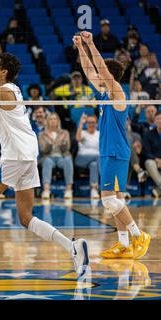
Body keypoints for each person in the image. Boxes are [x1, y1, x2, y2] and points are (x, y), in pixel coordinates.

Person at [0, 52, 89, 279]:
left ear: (4, 71)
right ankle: (72, 247)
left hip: (15, 157)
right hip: (27, 156)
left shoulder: (4, 92)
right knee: (26, 218)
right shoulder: (9, 90)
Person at [75, 31, 150, 259]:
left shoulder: (117, 92)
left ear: (109, 77)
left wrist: (91, 43)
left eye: (102, 75)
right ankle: (123, 244)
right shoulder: (105, 94)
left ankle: (139, 235)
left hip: (116, 152)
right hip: (109, 151)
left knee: (108, 199)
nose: (97, 77)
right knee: (115, 200)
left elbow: (100, 71)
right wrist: (80, 47)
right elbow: (89, 71)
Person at [39, 112, 74, 200]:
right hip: (49, 157)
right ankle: (46, 190)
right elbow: (43, 150)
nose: (53, 121)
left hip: (61, 157)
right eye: (51, 119)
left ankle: (68, 190)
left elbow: (67, 148)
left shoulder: (65, 133)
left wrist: (62, 142)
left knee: (68, 159)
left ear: (58, 121)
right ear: (47, 121)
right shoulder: (42, 134)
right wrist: (52, 141)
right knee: (47, 161)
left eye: (55, 119)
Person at [75, 114, 100, 199]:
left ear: (96, 124)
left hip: (96, 161)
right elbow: (78, 138)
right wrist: (81, 123)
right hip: (81, 159)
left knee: (94, 165)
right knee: (98, 158)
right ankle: (105, 181)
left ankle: (94, 189)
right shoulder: (82, 132)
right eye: (89, 122)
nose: (91, 124)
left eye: (93, 122)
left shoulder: (99, 134)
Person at [142, 111, 161, 197]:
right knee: (149, 162)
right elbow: (146, 152)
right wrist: (156, 159)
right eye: (158, 119)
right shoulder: (148, 134)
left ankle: (159, 190)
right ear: (155, 121)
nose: (160, 121)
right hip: (154, 162)